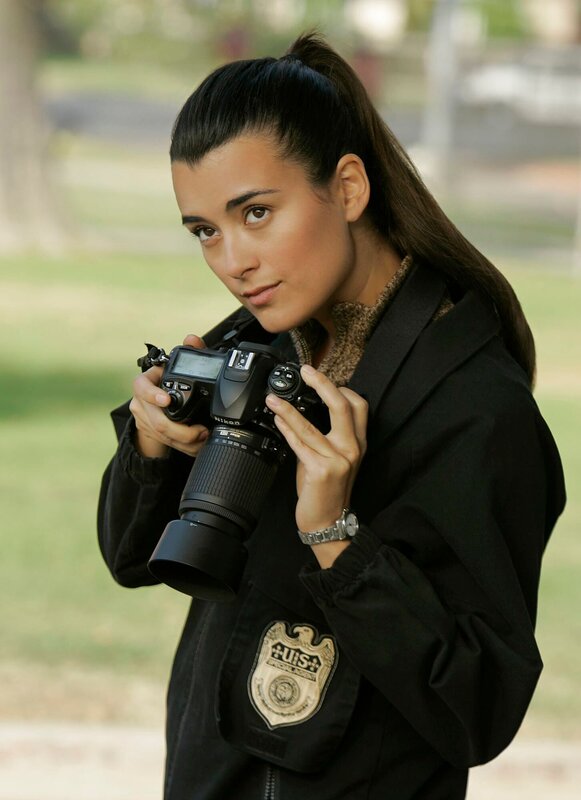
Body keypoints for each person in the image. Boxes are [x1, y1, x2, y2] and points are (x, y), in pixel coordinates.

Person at [98, 32, 566, 800]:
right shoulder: (251, 348)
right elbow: (132, 558)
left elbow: (476, 710)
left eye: (256, 213)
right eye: (205, 231)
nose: (232, 262)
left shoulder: (476, 411)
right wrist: (150, 447)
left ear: (347, 189)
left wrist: (336, 538)